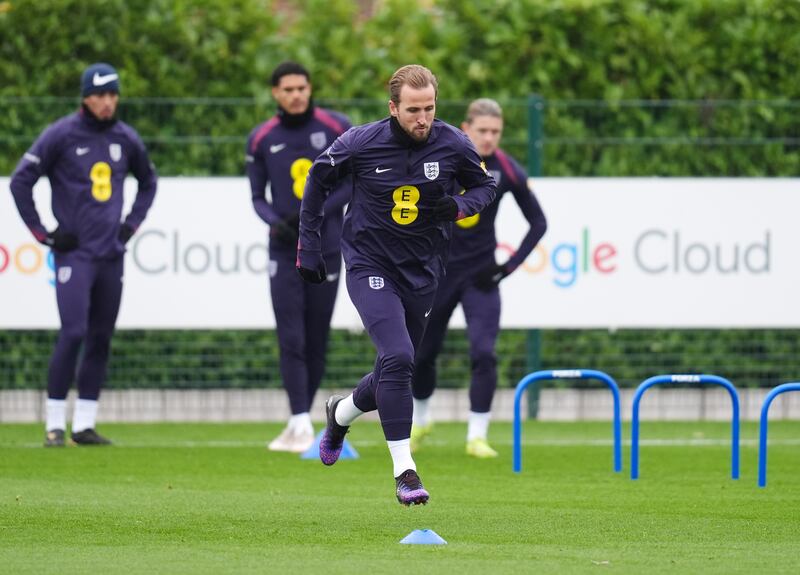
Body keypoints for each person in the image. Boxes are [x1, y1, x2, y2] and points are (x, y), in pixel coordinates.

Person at [297, 65, 497, 505]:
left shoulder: (453, 144)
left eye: (429, 108)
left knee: (396, 366)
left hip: (423, 271)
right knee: (400, 355)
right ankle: (405, 472)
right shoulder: (361, 142)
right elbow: (317, 178)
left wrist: (460, 206)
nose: (422, 118)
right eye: (412, 110)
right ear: (393, 108)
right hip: (370, 264)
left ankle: (341, 412)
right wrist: (308, 245)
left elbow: (486, 186)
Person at [9, 63, 158, 447]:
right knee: (73, 331)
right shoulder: (60, 134)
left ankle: (85, 425)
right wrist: (45, 233)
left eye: (112, 94)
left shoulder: (126, 137)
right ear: (85, 97)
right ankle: (54, 423)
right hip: (75, 256)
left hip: (111, 253)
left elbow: (148, 182)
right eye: (99, 95)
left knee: (100, 337)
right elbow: (20, 180)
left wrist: (130, 226)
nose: (106, 102)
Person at [410, 98, 547, 458]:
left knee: (484, 352)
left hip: (480, 276)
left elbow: (539, 223)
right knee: (421, 355)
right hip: (436, 272)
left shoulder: (507, 170)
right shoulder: (436, 159)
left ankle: (477, 436)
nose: (489, 138)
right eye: (482, 130)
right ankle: (421, 419)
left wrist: (506, 268)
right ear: (465, 128)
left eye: (496, 132)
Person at [246, 62, 352, 453]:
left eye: (301, 88)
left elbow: (351, 181)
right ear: (276, 92)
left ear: (310, 89)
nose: (295, 95)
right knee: (289, 335)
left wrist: (317, 213)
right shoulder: (261, 137)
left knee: (316, 336)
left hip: (325, 248)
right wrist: (277, 222)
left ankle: (303, 420)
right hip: (284, 248)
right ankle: (298, 420)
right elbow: (257, 197)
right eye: (287, 89)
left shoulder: (336, 126)